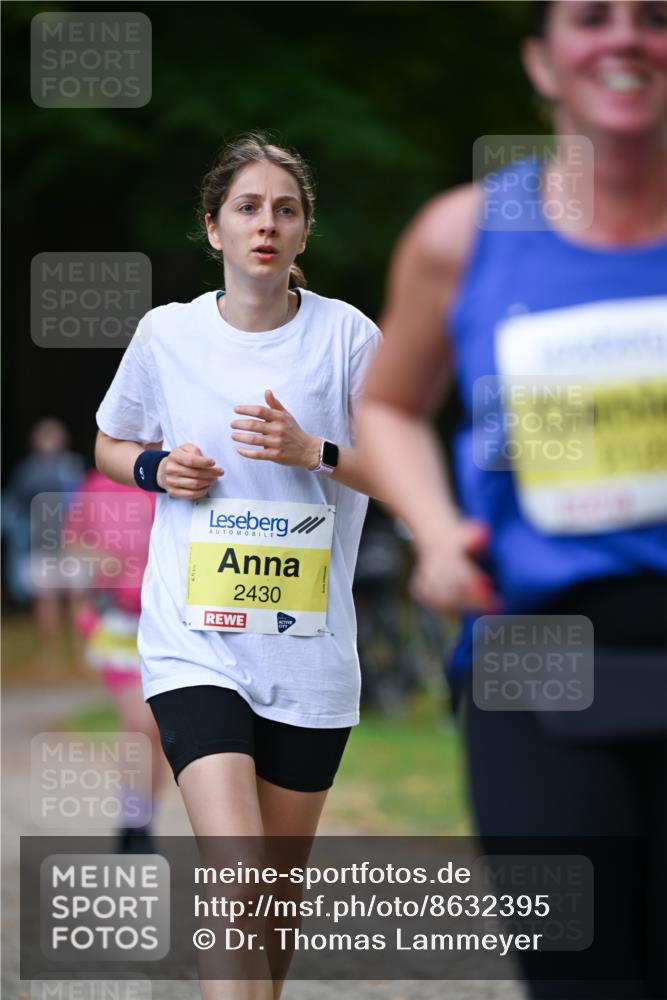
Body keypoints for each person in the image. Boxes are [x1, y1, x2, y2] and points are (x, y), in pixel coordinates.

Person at [356, 2, 667, 998]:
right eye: (591, 17)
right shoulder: (462, 235)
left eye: (655, 17)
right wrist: (436, 531)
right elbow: (386, 405)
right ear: (541, 60)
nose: (625, 38)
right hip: (535, 663)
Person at [94, 134, 380, 998]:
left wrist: (314, 450)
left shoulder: (347, 337)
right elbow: (111, 442)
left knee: (274, 900)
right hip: (196, 644)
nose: (266, 223)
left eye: (285, 210)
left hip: (307, 651)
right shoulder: (167, 334)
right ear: (214, 227)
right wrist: (155, 468)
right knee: (239, 873)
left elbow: (402, 472)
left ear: (303, 232)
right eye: (247, 208)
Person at [68, 467, 165, 852]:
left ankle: (141, 819)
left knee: (153, 730)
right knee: (138, 723)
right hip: (116, 619)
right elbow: (73, 542)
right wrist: (99, 560)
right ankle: (135, 821)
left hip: (163, 622)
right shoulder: (96, 484)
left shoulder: (164, 476)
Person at [2, 417, 85, 676]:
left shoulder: (72, 467)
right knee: (46, 598)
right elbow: (13, 508)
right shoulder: (26, 472)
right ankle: (51, 655)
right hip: (41, 545)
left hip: (74, 544)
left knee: (79, 598)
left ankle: (82, 654)